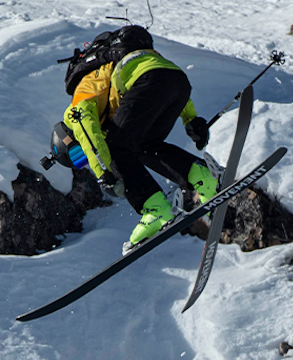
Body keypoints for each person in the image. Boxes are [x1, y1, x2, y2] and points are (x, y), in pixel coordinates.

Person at [58, 25, 218, 251]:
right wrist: (190, 118)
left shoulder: (83, 89)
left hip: (147, 81)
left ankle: (155, 210)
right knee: (143, 147)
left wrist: (103, 170)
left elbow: (88, 131)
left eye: (77, 153)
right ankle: (204, 176)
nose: (82, 158)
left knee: (113, 149)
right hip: (177, 80)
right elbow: (161, 78)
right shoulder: (117, 66)